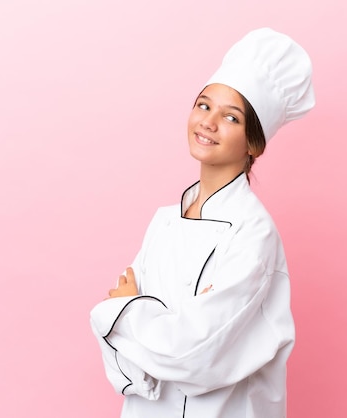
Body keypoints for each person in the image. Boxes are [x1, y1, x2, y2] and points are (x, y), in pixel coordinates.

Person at [90, 27, 315, 417]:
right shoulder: (164, 222)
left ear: (254, 143)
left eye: (231, 116)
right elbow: (127, 361)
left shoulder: (253, 233)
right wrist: (140, 322)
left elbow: (195, 355)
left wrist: (126, 311)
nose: (208, 122)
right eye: (203, 105)